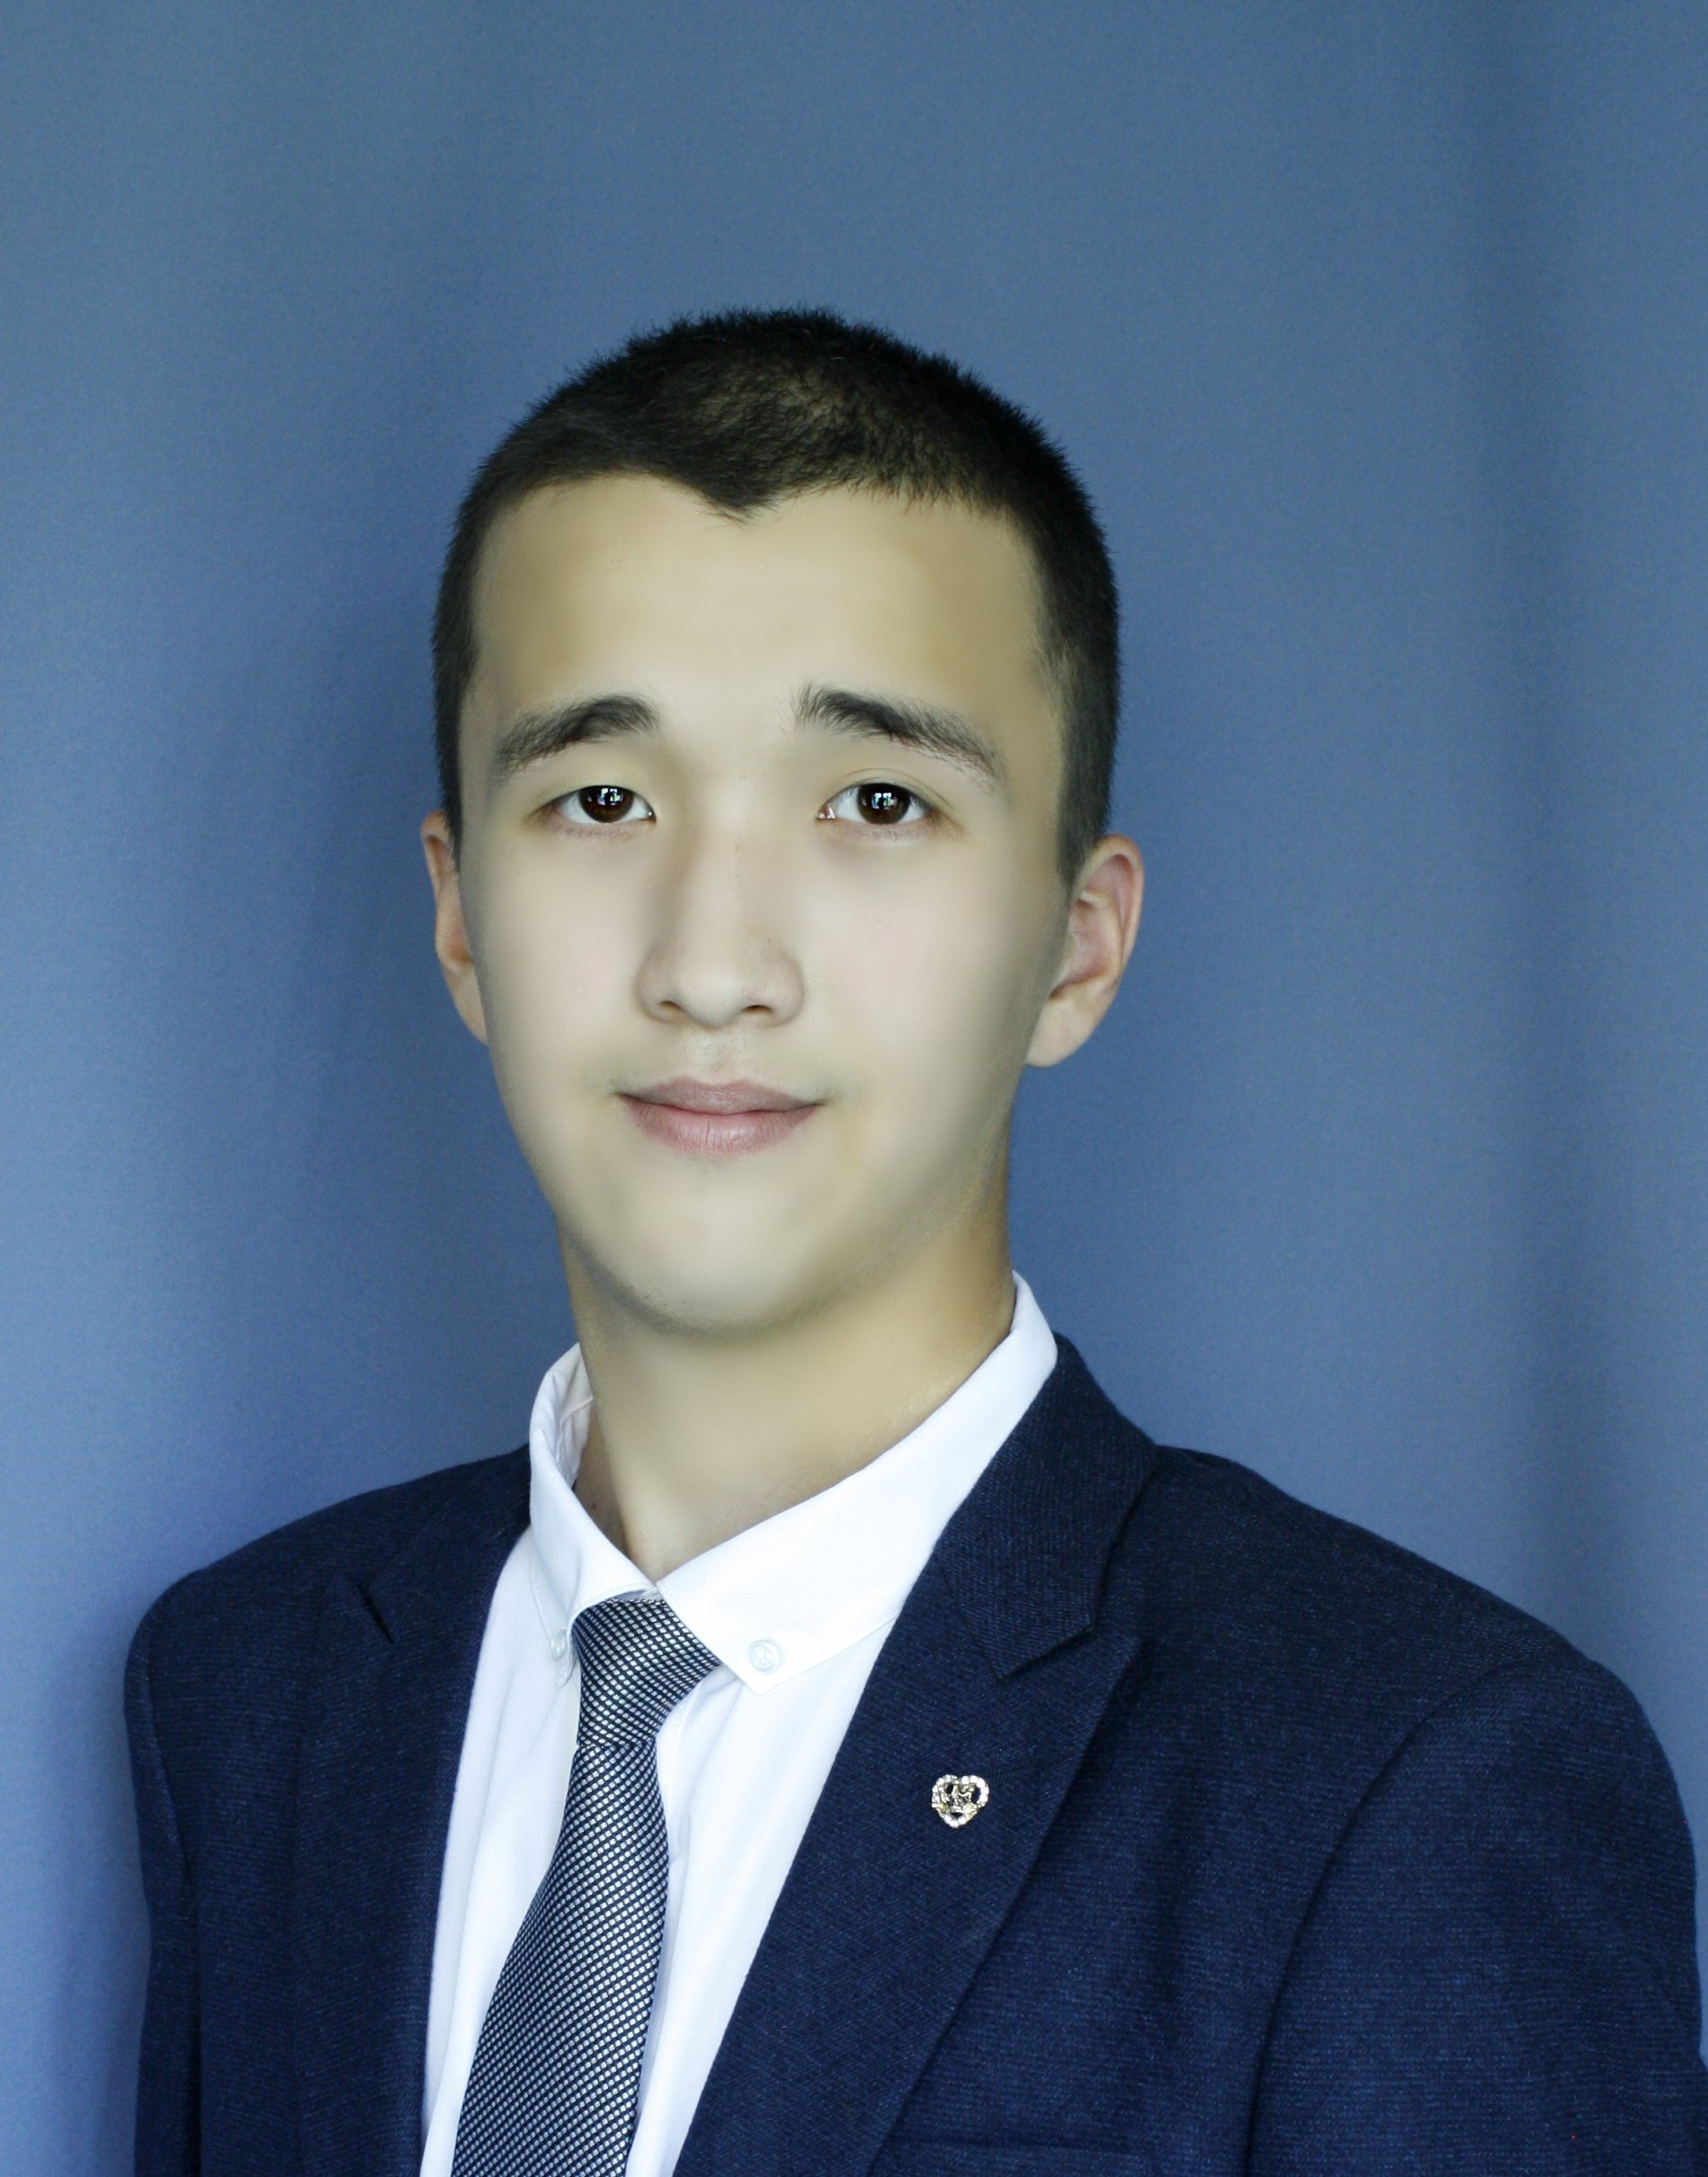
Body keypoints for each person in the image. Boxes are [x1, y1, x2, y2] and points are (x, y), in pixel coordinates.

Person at [126, 309, 1707, 2177]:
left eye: (876, 803)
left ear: (1076, 945)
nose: (713, 963)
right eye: (601, 799)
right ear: (461, 915)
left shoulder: (1409, 1778)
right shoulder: (255, 1691)